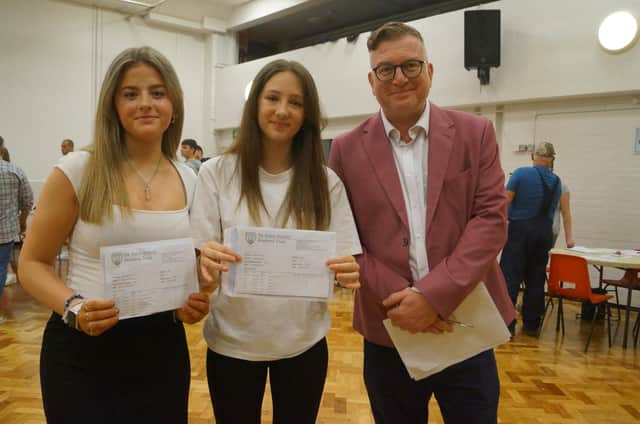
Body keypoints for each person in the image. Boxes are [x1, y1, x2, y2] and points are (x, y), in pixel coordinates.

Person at [328, 22, 515, 423]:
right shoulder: (345, 149)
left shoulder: (475, 132)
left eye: (410, 66)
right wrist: (403, 300)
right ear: (371, 80)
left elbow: (490, 220)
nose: (399, 78)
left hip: (466, 322)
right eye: (386, 69)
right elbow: (345, 238)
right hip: (389, 327)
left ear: (430, 70)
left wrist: (432, 297)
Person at [18, 46, 210, 423]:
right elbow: (33, 263)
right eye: (130, 94)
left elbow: (192, 268)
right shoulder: (78, 170)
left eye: (157, 92)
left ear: (173, 105)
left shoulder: (189, 179)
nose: (145, 103)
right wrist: (74, 308)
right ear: (113, 105)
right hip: (82, 348)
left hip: (161, 349)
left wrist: (195, 302)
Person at [190, 59, 362, 424]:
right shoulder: (216, 172)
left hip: (304, 343)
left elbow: (345, 260)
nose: (283, 111)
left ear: (307, 113)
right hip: (232, 343)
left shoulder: (325, 181)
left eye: (296, 102)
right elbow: (200, 268)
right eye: (272, 98)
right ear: (254, 106)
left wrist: (347, 270)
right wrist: (204, 265)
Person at [500, 142, 561, 337]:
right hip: (544, 233)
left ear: (533, 156)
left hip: (520, 230)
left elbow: (505, 201)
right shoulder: (556, 181)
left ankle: (507, 325)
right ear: (552, 159)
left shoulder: (520, 174)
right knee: (536, 278)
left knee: (510, 277)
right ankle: (532, 324)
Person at [1, 146, 33, 321]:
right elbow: (28, 201)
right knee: (0, 269)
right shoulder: (15, 171)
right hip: (5, 231)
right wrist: (22, 221)